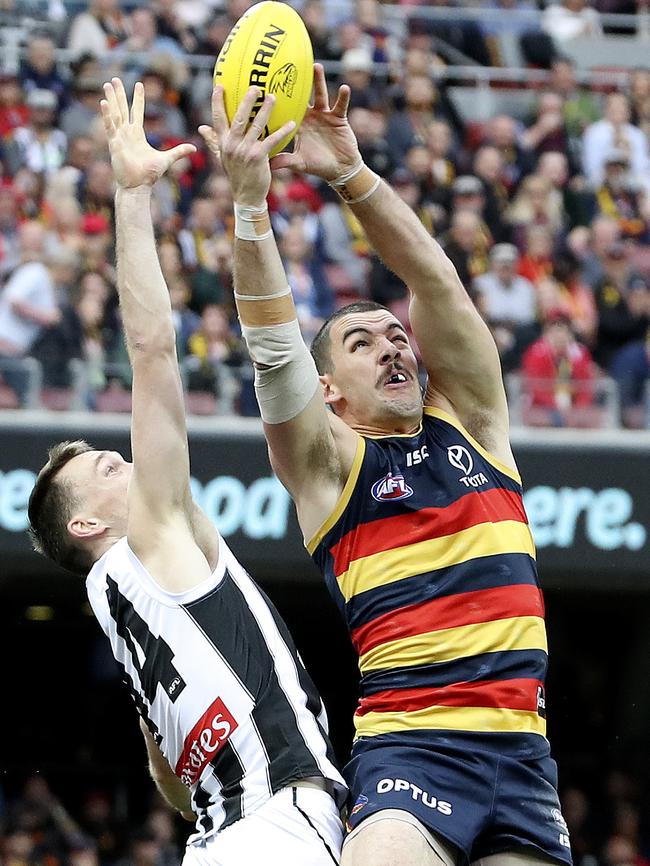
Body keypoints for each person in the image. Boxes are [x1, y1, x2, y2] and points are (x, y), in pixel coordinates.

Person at [201, 64, 572, 866]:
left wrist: (353, 176)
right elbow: (273, 353)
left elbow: (433, 278)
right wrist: (248, 205)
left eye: (395, 335)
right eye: (361, 343)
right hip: (413, 754)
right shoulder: (331, 468)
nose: (393, 344)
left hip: (526, 760)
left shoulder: (472, 422)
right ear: (329, 390)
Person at [27, 78, 344, 866]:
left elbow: (171, 786)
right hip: (277, 819)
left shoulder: (119, 608)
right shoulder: (151, 538)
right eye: (105, 466)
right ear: (86, 524)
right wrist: (132, 199)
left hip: (214, 837)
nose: (126, 458)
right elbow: (151, 354)